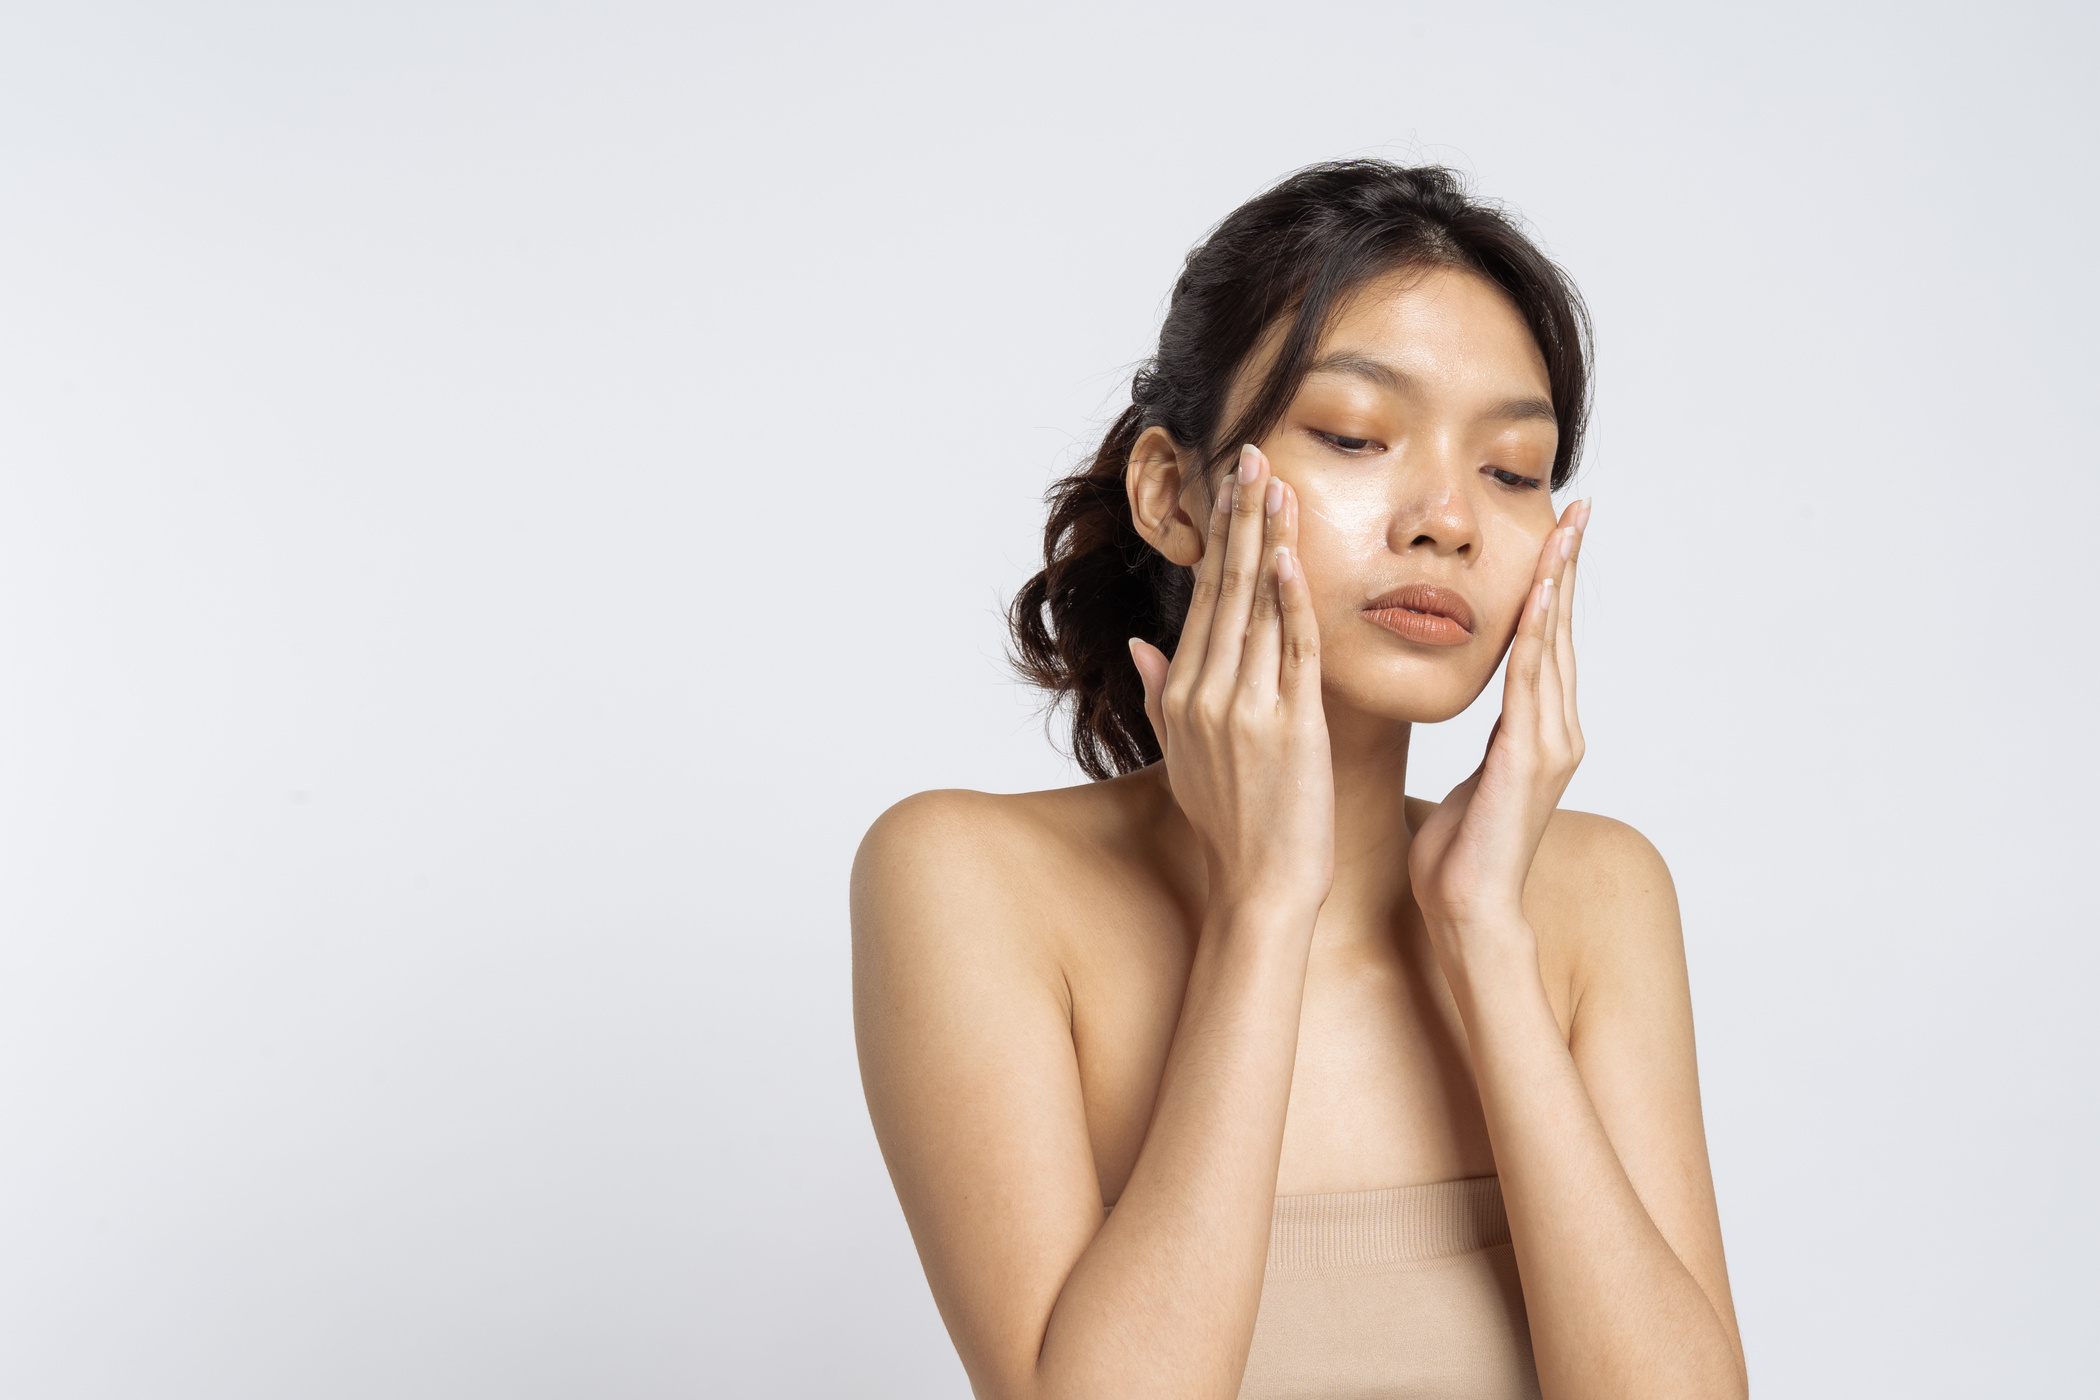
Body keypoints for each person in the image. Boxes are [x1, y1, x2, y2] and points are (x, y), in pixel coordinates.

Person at [851, 161, 1746, 1400]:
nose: (1450, 518)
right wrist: (1264, 905)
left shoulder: (1595, 897)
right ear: (1175, 494)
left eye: (1512, 467)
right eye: (1355, 436)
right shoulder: (967, 879)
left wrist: (1484, 933)